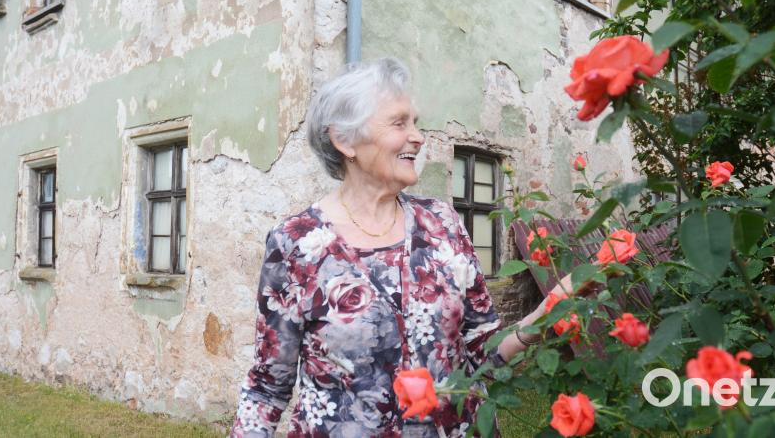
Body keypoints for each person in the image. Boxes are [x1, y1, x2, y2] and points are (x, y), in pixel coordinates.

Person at [231, 58, 571, 437]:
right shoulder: (296, 244)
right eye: (399, 123)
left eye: (415, 122)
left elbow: (480, 355)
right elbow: (267, 387)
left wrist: (546, 315)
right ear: (345, 140)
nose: (418, 136)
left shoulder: (442, 224)